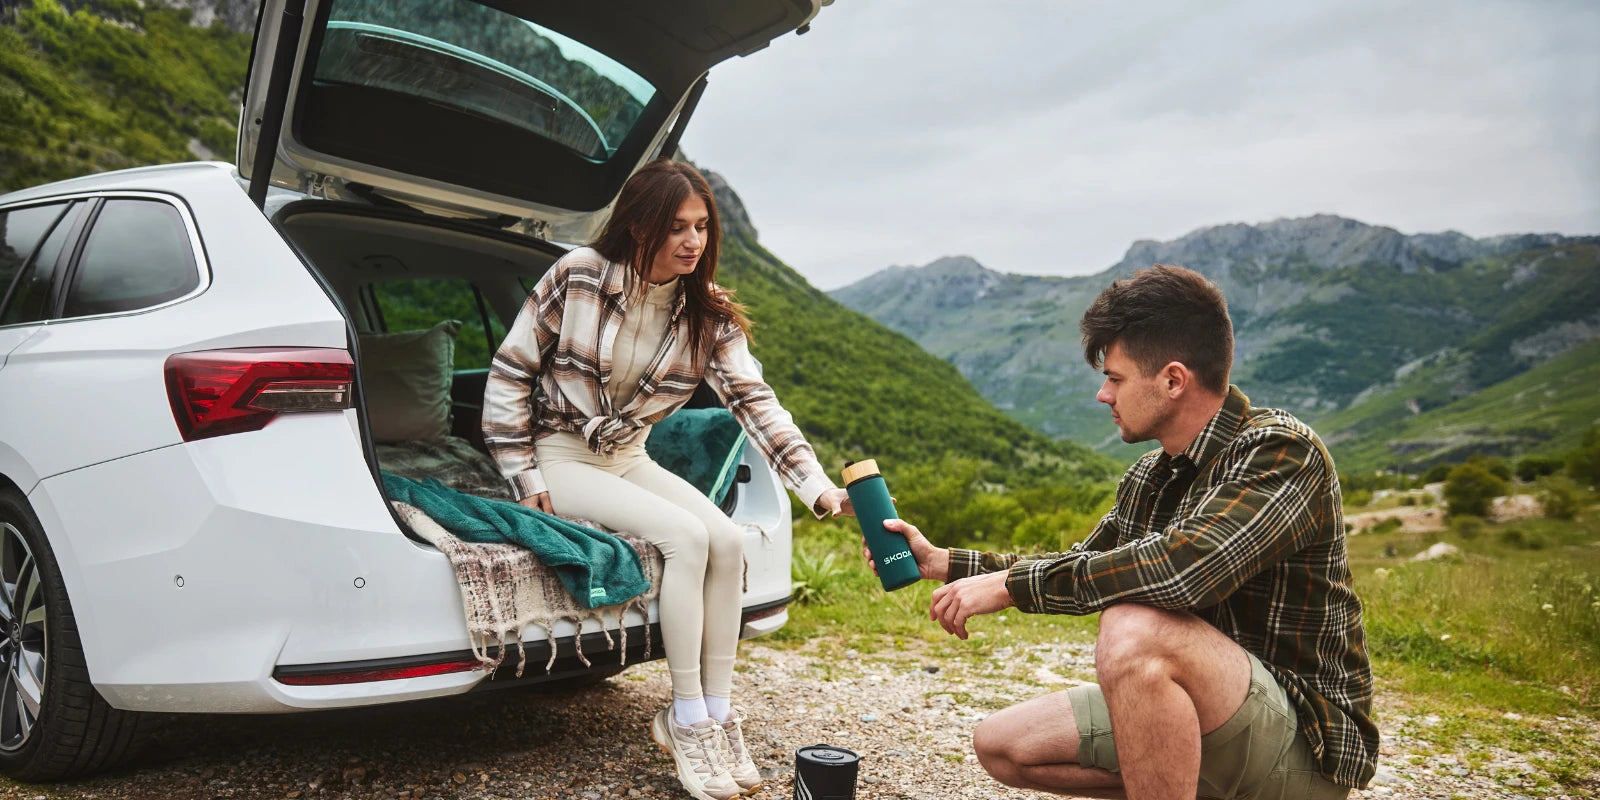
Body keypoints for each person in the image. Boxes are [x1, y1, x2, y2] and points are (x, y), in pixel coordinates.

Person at [868, 265, 1377, 799]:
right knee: (1003, 744)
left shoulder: (1280, 452)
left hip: (1300, 744)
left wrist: (1010, 589)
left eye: (1114, 378)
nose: (1102, 395)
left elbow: (1185, 570)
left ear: (1173, 380)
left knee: (1135, 628)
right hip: (1209, 717)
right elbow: (1083, 560)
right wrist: (945, 562)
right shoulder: (1151, 477)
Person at [483, 160, 851, 800]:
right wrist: (521, 472)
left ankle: (716, 711)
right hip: (561, 454)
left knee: (728, 540)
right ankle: (685, 715)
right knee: (685, 538)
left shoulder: (706, 314)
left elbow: (756, 403)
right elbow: (511, 373)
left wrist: (817, 488)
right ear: (640, 224)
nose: (693, 242)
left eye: (702, 227)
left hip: (628, 456)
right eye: (677, 226)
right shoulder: (577, 278)